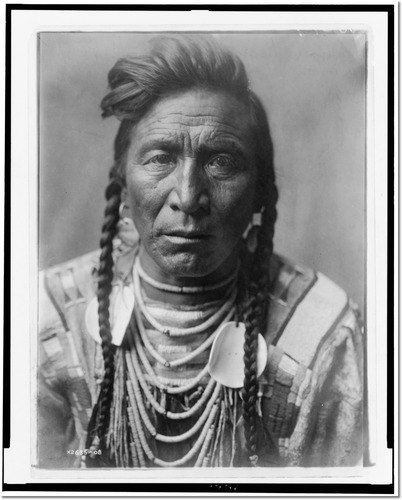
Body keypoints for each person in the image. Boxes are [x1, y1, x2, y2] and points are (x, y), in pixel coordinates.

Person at [37, 35, 364, 469]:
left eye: (221, 161)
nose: (189, 197)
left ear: (260, 192)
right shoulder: (45, 317)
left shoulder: (323, 332)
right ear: (123, 184)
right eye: (160, 158)